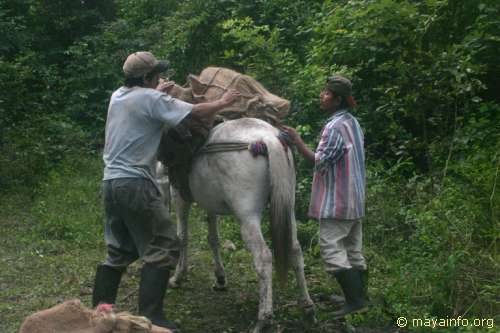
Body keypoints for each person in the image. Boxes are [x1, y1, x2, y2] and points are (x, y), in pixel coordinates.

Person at [92, 51, 240, 330]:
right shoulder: (151, 98)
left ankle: (100, 312)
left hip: (111, 183)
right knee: (164, 245)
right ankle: (152, 316)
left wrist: (157, 93)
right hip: (136, 184)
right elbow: (194, 112)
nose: (160, 78)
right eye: (156, 75)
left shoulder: (118, 96)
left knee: (119, 250)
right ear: (147, 78)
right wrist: (223, 102)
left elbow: (146, 105)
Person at [282, 75, 368, 319]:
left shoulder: (334, 127)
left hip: (337, 199)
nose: (322, 95)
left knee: (331, 248)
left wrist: (297, 141)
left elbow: (320, 161)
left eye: (327, 93)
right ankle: (361, 297)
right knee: (353, 249)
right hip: (355, 196)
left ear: (337, 99)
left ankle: (354, 301)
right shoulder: (352, 122)